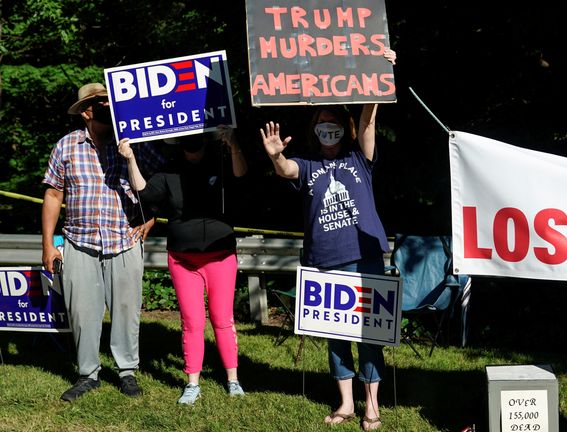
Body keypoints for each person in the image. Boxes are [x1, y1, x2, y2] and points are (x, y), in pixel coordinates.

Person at [260, 49, 396, 431]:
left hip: (365, 254)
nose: (328, 127)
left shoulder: (359, 159)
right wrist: (275, 156)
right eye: (322, 121)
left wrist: (379, 74)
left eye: (334, 120)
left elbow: (369, 120)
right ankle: (346, 404)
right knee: (336, 337)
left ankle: (372, 406)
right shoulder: (308, 165)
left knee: (370, 335)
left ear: (345, 126)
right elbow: (287, 169)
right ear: (314, 129)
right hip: (324, 259)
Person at [41, 82, 164, 401]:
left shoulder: (132, 144)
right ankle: (87, 374)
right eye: (100, 105)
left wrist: (151, 217)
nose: (109, 109)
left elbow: (161, 183)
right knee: (82, 312)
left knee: (126, 310)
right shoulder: (66, 146)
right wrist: (47, 245)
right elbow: (53, 195)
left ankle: (127, 372)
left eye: (111, 103)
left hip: (124, 240)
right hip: (79, 243)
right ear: (85, 111)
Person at [118, 125, 248, 405]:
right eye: (187, 142)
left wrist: (233, 142)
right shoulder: (170, 170)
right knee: (192, 322)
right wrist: (130, 159)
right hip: (182, 259)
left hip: (220, 255)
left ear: (206, 141)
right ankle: (192, 383)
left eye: (198, 142)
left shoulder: (222, 163)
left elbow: (242, 175)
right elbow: (145, 193)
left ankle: (233, 380)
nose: (193, 147)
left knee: (222, 319)